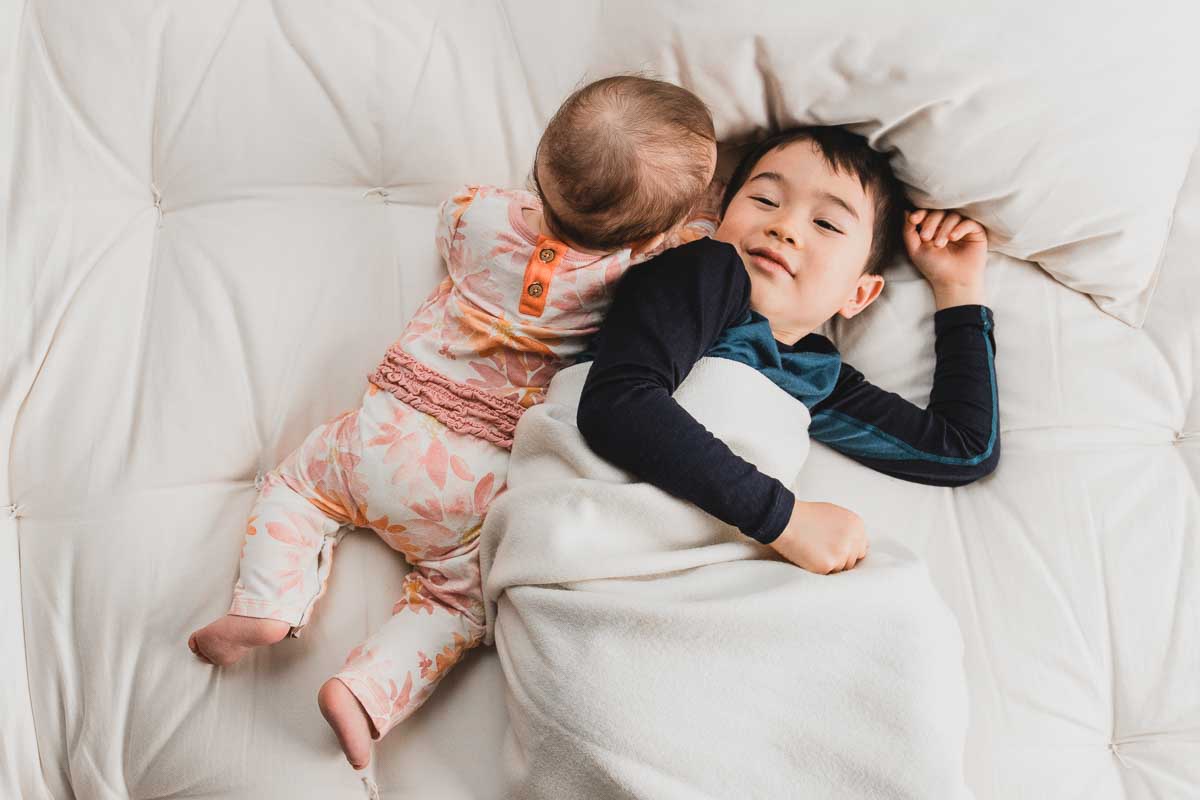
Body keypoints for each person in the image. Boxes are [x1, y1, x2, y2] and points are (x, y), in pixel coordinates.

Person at [187, 75, 719, 770]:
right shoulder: (637, 272)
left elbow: (451, 216)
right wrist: (685, 228)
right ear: (657, 230)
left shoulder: (483, 216)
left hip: (382, 434)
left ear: (539, 166)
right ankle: (366, 690)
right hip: (470, 487)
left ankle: (266, 601)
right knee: (459, 603)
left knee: (298, 488)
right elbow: (693, 246)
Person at [577, 126, 1000, 576]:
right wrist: (786, 521)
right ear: (721, 221)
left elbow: (962, 450)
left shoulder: (812, 375)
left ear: (857, 295)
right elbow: (617, 403)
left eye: (826, 224)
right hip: (598, 538)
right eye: (765, 200)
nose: (785, 226)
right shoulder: (702, 271)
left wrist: (957, 289)